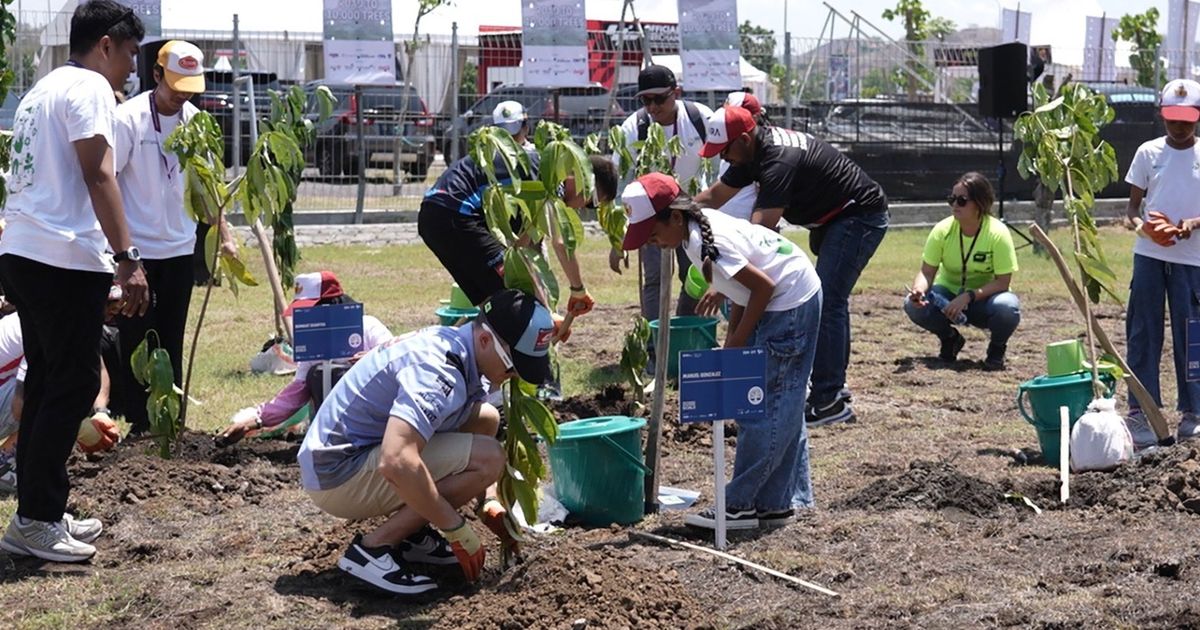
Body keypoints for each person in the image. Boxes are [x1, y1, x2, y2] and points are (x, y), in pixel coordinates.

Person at [0, 0, 147, 563]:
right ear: (106, 44)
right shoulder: (89, 88)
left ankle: (40, 510)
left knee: (47, 385)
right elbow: (98, 170)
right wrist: (127, 257)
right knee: (74, 385)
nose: (132, 68)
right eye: (131, 53)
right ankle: (35, 521)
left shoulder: (43, 89)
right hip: (59, 257)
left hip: (24, 250)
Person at [298, 289, 554, 593]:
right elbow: (397, 461)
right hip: (336, 475)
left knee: (486, 418)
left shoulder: (455, 344)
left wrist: (489, 500)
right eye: (513, 366)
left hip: (346, 456)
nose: (514, 376)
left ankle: (412, 535)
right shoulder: (438, 373)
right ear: (485, 340)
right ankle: (373, 550)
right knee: (490, 458)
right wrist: (456, 528)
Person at [622, 172, 822, 528]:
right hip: (788, 295)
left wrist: (739, 342)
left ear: (676, 216)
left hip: (790, 302)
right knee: (783, 403)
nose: (651, 243)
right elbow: (743, 291)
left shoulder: (705, 242)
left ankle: (740, 504)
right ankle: (777, 503)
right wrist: (734, 339)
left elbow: (764, 287)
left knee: (765, 406)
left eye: (652, 233)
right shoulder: (693, 235)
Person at [694, 105, 888, 428]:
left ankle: (828, 401)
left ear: (743, 139)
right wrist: (677, 209)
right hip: (832, 220)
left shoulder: (777, 160)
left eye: (724, 150)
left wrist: (723, 278)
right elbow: (715, 196)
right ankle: (832, 386)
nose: (722, 158)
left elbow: (759, 237)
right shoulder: (749, 151)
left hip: (858, 215)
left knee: (827, 299)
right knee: (831, 299)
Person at [112, 40, 238, 435]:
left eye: (190, 86)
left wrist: (225, 233)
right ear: (156, 75)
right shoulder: (128, 119)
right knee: (137, 339)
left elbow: (208, 187)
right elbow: (107, 183)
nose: (182, 94)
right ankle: (139, 423)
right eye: (175, 84)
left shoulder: (197, 124)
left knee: (172, 338)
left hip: (180, 251)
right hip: (138, 254)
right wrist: (120, 255)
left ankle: (171, 424)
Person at [418, 101, 615, 316]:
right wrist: (577, 289)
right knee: (520, 299)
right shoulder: (550, 177)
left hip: (432, 214)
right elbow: (561, 243)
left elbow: (519, 246)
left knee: (492, 303)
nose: (584, 209)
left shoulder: (534, 174)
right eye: (592, 203)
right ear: (583, 179)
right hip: (456, 212)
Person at [219, 271, 393, 443]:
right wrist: (253, 421)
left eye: (308, 310)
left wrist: (373, 358)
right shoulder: (313, 345)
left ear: (328, 307)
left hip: (377, 418)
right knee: (317, 374)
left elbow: (397, 360)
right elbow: (296, 393)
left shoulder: (369, 327)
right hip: (334, 429)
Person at [1122, 78, 1200, 449]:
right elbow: (1131, 210)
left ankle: (1193, 413)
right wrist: (1146, 230)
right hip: (1150, 257)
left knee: (1193, 334)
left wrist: (1192, 224)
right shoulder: (1147, 153)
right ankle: (1141, 412)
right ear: (1162, 115)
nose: (1180, 126)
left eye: (1187, 119)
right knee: (1143, 333)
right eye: (1173, 118)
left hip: (1192, 260)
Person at [610, 65, 714, 320]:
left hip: (691, 209)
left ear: (675, 92)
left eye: (659, 99)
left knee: (694, 274)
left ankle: (686, 333)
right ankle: (654, 343)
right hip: (650, 215)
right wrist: (617, 238)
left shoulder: (700, 118)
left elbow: (719, 170)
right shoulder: (634, 127)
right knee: (655, 278)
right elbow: (621, 181)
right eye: (646, 100)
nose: (653, 106)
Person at [904, 173, 1020, 369]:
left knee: (1008, 308)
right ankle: (950, 339)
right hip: (947, 298)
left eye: (962, 200)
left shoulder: (998, 233)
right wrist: (919, 290)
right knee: (911, 305)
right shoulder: (942, 230)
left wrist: (968, 296)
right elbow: (927, 272)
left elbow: (1003, 282)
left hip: (985, 300)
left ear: (980, 203)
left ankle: (997, 349)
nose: (954, 205)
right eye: (952, 199)